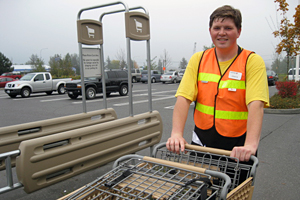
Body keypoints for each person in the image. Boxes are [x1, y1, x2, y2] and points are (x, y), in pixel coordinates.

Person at [166, 5, 269, 164]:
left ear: (239, 31)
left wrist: (250, 145)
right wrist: (176, 133)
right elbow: (183, 98)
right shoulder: (198, 59)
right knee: (199, 187)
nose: (222, 33)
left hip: (238, 145)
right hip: (202, 141)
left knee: (236, 189)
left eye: (228, 28)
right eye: (217, 28)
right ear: (210, 31)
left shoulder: (251, 61)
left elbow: (256, 104)